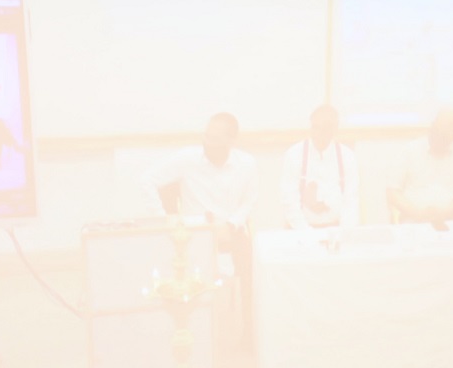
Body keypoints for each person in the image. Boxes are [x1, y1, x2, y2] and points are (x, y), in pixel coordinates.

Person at [148, 112, 258, 284]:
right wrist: (163, 218)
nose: (207, 143)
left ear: (231, 141)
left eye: (214, 139)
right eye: (206, 136)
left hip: (232, 231)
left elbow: (249, 201)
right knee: (198, 284)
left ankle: (239, 307)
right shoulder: (187, 159)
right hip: (194, 234)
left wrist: (231, 225)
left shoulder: (247, 163)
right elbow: (148, 180)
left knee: (249, 277)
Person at [387, 108, 453, 225]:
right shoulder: (410, 150)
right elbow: (392, 191)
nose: (440, 139)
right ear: (431, 128)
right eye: (439, 133)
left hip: (452, 219)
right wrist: (417, 213)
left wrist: (446, 212)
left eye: (446, 136)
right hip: (414, 220)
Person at [279, 104, 360, 230]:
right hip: (300, 230)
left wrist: (344, 234)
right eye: (315, 128)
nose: (319, 134)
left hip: (336, 229)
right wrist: (307, 233)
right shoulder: (294, 155)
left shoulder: (347, 156)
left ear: (335, 129)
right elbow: (289, 201)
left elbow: (350, 201)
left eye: (325, 129)